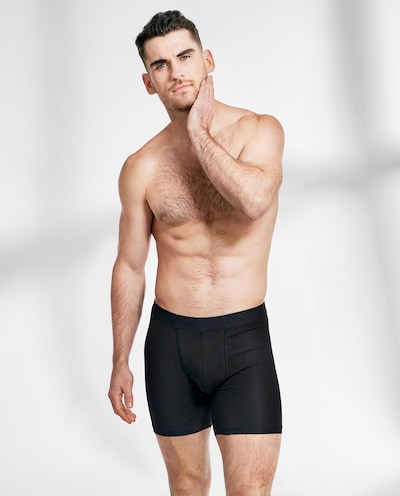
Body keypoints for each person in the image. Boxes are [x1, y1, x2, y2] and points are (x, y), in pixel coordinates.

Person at [108, 10, 284, 496]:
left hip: (243, 342)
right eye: (160, 64)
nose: (176, 72)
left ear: (208, 60)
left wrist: (199, 134)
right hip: (171, 345)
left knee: (250, 490)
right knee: (187, 487)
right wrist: (120, 359)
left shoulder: (260, 131)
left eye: (185, 56)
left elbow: (253, 200)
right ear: (149, 83)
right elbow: (130, 266)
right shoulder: (141, 167)